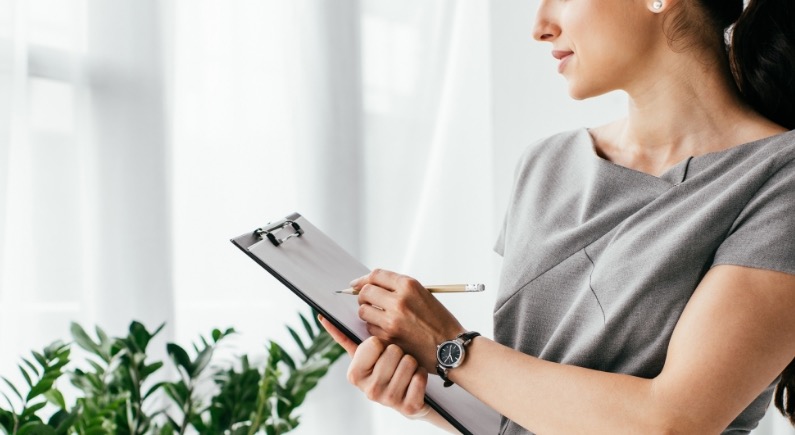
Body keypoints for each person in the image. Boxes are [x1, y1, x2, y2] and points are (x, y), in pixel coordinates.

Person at [320, 0, 795, 433]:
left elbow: (671, 423)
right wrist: (430, 391)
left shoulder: (781, 178)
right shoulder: (546, 164)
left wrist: (450, 346)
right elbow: (526, 414)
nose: (539, 27)